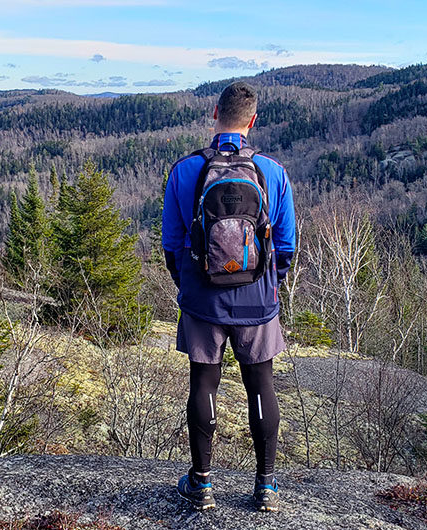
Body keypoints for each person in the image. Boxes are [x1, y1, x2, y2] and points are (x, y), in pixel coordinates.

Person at [161, 81, 296, 512]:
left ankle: (201, 485)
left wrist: (188, 285)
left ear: (213, 112)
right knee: (261, 384)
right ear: (252, 120)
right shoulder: (272, 172)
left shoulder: (185, 171)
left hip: (203, 297)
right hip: (257, 297)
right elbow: (288, 246)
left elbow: (172, 243)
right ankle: (266, 487)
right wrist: (268, 281)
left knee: (203, 383)